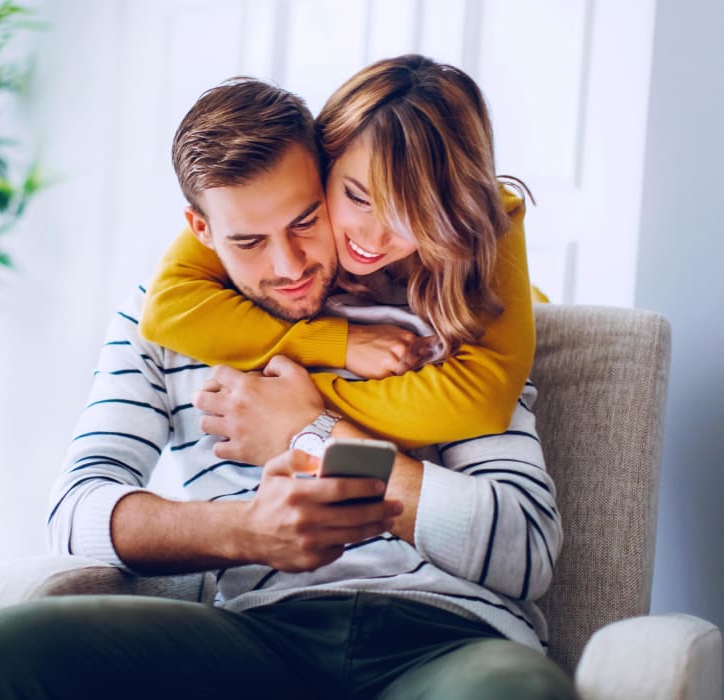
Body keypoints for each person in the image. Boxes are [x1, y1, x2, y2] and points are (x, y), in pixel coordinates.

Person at [0, 62, 575, 699]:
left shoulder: (447, 309)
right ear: (201, 231)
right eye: (248, 241)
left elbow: (524, 550)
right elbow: (75, 513)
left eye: (305, 221)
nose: (290, 265)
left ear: (322, 177)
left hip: (450, 637)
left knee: (515, 691)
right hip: (263, 637)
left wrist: (313, 434)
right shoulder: (161, 320)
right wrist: (249, 531)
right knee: (1, 651)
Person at [139, 54, 538, 453]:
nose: (374, 239)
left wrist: (295, 410)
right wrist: (337, 344)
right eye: (358, 198)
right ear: (325, 157)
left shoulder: (483, 215)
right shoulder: (269, 196)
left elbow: (481, 401)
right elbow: (167, 308)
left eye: (412, 217)